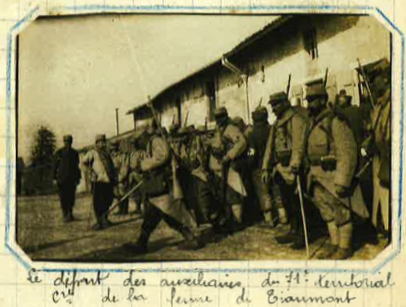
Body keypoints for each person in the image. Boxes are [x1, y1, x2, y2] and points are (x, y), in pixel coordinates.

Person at [306, 84, 368, 259]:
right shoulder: (313, 122)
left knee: (341, 212)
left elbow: (347, 151)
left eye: (313, 100)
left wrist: (342, 180)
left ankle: (345, 246)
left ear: (323, 100)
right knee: (327, 213)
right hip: (317, 176)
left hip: (332, 175)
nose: (310, 104)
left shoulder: (335, 121)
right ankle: (334, 244)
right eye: (308, 100)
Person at [124, 119, 202, 254]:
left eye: (138, 140)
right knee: (161, 215)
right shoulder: (150, 143)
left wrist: (144, 164)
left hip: (163, 185)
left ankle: (191, 239)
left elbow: (163, 156)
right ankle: (142, 243)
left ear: (143, 136)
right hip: (157, 185)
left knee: (168, 215)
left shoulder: (155, 141)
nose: (137, 144)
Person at [262, 91, 308, 250]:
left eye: (275, 105)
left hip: (293, 168)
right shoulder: (277, 123)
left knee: (298, 203)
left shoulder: (295, 119)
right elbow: (270, 147)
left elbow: (298, 145)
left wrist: (294, 168)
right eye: (272, 105)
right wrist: (265, 167)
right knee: (287, 202)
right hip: (281, 168)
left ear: (284, 104)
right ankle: (293, 231)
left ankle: (302, 234)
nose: (273, 109)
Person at [362, 64, 391, 240]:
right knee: (382, 192)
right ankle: (386, 228)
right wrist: (368, 143)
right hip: (380, 156)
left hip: (391, 155)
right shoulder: (379, 105)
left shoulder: (395, 100)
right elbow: (375, 132)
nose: (371, 85)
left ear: (385, 79)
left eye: (374, 80)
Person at [208, 107, 248, 230]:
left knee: (234, 193)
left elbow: (241, 143)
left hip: (230, 166)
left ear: (225, 116)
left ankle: (237, 221)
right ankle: (228, 220)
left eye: (220, 117)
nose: (218, 120)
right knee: (223, 195)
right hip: (219, 167)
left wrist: (229, 156)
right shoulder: (217, 130)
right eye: (216, 117)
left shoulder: (231, 129)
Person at [246, 106, 276, 227]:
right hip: (273, 165)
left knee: (263, 193)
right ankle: (283, 218)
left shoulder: (252, 135)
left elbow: (251, 153)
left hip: (258, 168)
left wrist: (248, 164)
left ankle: (269, 220)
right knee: (275, 191)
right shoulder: (271, 129)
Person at [82, 134, 116, 230]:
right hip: (98, 181)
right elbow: (83, 164)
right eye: (101, 142)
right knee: (98, 202)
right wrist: (90, 171)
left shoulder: (107, 153)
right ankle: (98, 221)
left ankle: (105, 219)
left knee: (108, 201)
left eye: (104, 142)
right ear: (97, 143)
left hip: (108, 180)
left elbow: (111, 166)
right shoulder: (92, 153)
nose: (103, 144)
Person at [53, 135, 81, 222]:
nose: (67, 143)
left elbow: (76, 167)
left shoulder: (75, 153)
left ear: (71, 142)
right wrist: (54, 177)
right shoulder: (59, 153)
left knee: (71, 197)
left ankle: (70, 213)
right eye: (66, 141)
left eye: (69, 141)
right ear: (63, 142)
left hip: (72, 180)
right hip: (62, 179)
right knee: (63, 197)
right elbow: (55, 166)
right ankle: (65, 214)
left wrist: (78, 178)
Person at [111, 140, 130, 215]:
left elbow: (125, 167)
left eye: (115, 147)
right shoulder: (111, 156)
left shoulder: (123, 156)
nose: (113, 149)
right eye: (112, 148)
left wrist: (121, 177)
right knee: (117, 193)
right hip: (114, 177)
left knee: (123, 193)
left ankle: (124, 210)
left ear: (118, 147)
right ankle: (120, 209)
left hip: (121, 177)